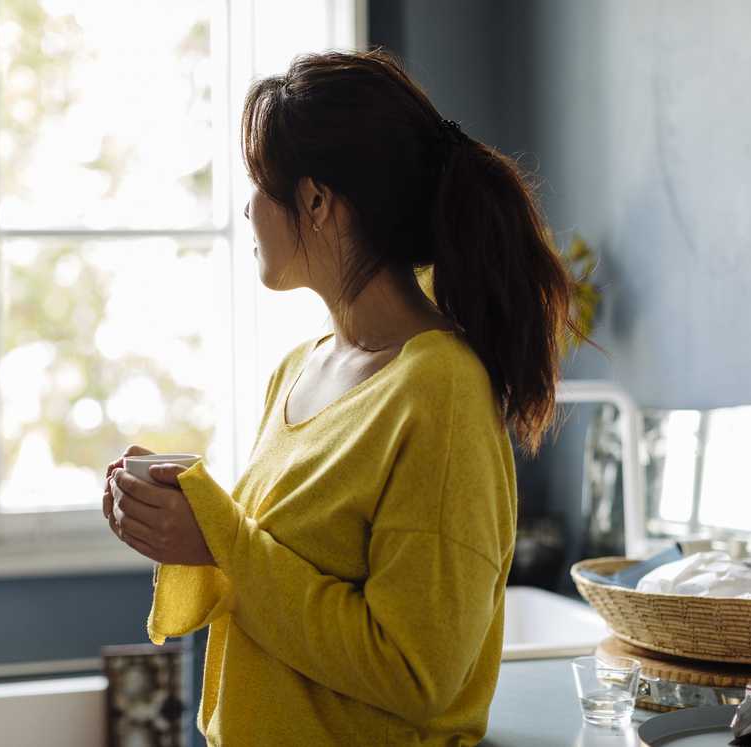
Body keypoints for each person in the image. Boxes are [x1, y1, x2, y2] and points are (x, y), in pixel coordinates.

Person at [103, 48, 577, 746]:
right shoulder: (298, 369)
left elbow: (416, 671)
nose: (247, 208)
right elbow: (270, 573)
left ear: (318, 203)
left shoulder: (438, 393)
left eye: (262, 186)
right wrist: (191, 529)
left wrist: (221, 538)